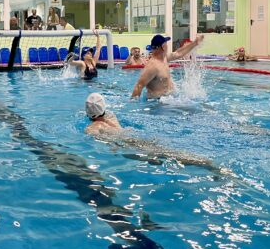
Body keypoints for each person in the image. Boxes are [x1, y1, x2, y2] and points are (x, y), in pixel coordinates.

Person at [84, 93, 219, 173]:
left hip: (126, 143)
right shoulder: (111, 116)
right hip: (132, 136)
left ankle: (207, 164)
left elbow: (103, 140)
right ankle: (205, 163)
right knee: (166, 152)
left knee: (164, 155)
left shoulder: (91, 128)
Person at [131, 34, 204, 99]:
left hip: (169, 99)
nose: (167, 46)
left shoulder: (164, 58)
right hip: (158, 103)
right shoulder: (152, 66)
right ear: (163, 47)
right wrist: (134, 105)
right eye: (166, 44)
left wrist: (195, 43)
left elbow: (178, 53)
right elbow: (139, 86)